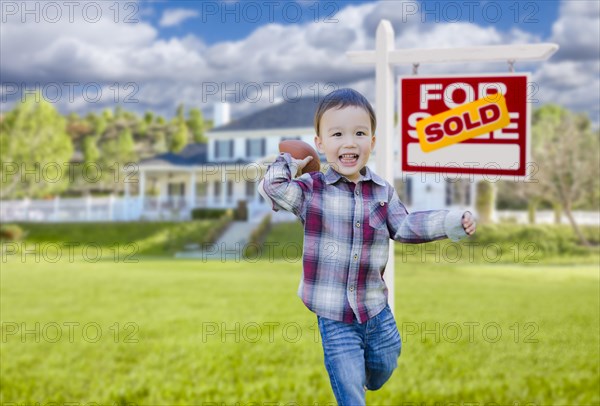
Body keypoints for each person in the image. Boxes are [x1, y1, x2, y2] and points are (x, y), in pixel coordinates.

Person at [260, 88, 476, 405]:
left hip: (375, 309)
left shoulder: (382, 192)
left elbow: (405, 226)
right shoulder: (311, 191)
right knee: (350, 390)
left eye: (360, 133)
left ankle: (371, 376)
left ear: (372, 142)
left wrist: (451, 222)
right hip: (334, 316)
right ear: (321, 144)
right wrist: (292, 161)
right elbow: (274, 187)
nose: (349, 142)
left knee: (385, 363)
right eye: (337, 134)